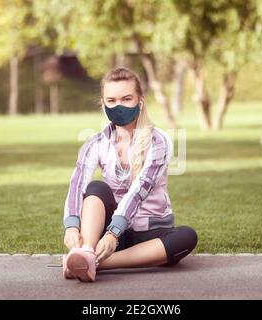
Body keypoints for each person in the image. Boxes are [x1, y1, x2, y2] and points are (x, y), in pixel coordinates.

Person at [62, 67, 198, 282]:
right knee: (96, 188)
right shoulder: (95, 144)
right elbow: (77, 184)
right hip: (112, 235)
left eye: (126, 99)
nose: (119, 106)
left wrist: (112, 233)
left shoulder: (158, 141)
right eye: (112, 100)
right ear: (103, 104)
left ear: (140, 101)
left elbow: (139, 190)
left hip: (149, 234)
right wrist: (71, 226)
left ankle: (93, 262)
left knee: (186, 236)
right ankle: (87, 250)